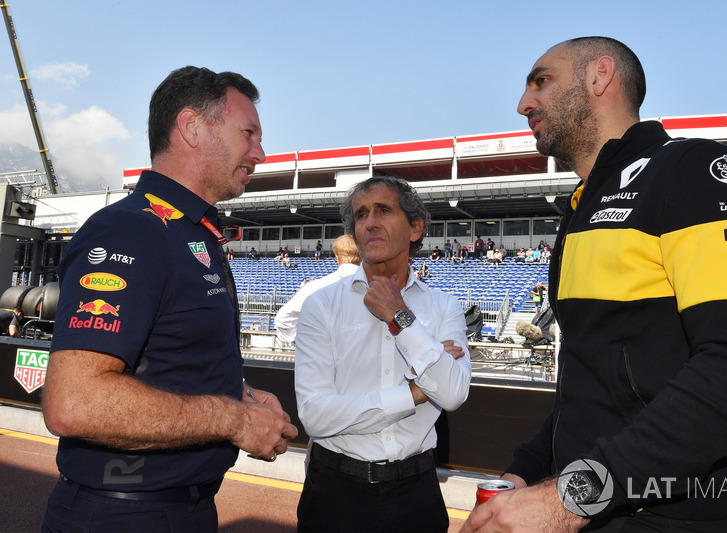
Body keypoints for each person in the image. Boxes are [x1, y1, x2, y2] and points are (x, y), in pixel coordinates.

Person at [463, 36, 727, 532]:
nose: (524, 103)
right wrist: (527, 470)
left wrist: (570, 499)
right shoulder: (579, 207)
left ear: (600, 77)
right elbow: (594, 383)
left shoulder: (695, 170)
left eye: (541, 81)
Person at [41, 66, 298, 533]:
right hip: (124, 513)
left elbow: (164, 363)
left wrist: (238, 396)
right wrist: (232, 419)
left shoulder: (188, 233)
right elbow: (74, 402)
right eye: (249, 133)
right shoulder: (132, 230)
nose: (259, 152)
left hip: (178, 510)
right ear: (191, 127)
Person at [294, 176, 472, 532]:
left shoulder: (444, 306)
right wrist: (415, 392)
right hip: (334, 492)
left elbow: (452, 394)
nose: (370, 222)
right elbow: (314, 416)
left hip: (417, 493)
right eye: (361, 215)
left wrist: (399, 315)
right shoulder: (321, 305)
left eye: (383, 210)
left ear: (415, 228)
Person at [274, 234, 360, 344]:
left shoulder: (315, 287)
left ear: (337, 259)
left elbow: (283, 320)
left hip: (325, 356)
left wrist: (314, 343)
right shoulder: (382, 288)